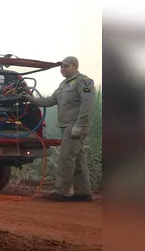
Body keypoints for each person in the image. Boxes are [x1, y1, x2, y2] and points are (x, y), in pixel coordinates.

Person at [20, 56, 96, 202]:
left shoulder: (84, 81)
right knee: (78, 160)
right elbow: (50, 101)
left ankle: (61, 192)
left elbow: (87, 104)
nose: (62, 70)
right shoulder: (63, 85)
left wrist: (79, 125)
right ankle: (83, 193)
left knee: (65, 159)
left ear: (75, 66)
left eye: (66, 67)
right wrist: (31, 98)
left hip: (74, 126)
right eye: (61, 67)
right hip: (67, 126)